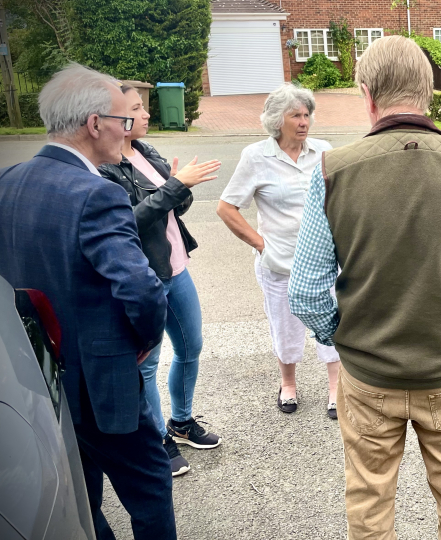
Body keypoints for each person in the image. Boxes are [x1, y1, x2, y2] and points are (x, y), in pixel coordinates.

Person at [288, 35, 441, 539]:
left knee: (370, 505)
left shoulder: (333, 173)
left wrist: (344, 337)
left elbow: (306, 292)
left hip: (368, 374)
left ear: (369, 95)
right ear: (427, 93)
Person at [0, 63, 175, 540]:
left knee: (80, 488)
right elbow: (141, 289)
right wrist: (143, 342)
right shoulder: (98, 194)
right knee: (149, 485)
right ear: (95, 124)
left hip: (37, 376)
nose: (127, 130)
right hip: (100, 383)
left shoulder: (8, 181)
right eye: (122, 121)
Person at [98, 83, 223, 477]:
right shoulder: (104, 168)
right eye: (138, 108)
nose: (147, 114)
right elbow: (129, 222)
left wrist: (181, 188)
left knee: (190, 347)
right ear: (114, 117)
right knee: (148, 364)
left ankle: (181, 422)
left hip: (176, 266)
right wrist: (175, 185)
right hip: (146, 276)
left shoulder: (146, 152)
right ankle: (157, 440)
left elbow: (176, 206)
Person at [217, 85, 341, 418]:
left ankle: (335, 389)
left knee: (332, 323)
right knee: (285, 326)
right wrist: (261, 245)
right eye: (296, 115)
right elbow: (227, 208)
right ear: (277, 120)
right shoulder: (256, 156)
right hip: (278, 262)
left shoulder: (324, 152)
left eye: (307, 115)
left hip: (324, 261)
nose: (304, 122)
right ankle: (288, 384)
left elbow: (340, 201)